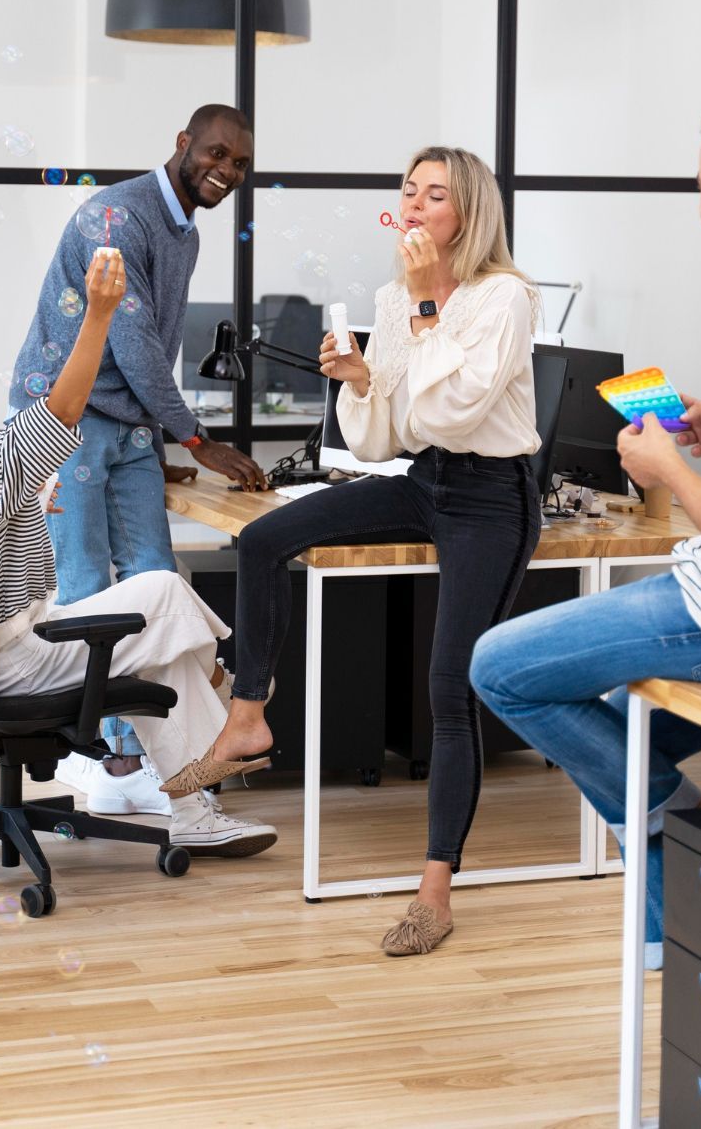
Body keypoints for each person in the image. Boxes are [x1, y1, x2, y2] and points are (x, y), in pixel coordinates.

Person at [160, 147, 544, 955]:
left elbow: (459, 413)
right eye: (408, 190)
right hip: (425, 481)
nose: (413, 205)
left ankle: (435, 893)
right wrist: (361, 381)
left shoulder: (505, 297)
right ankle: (248, 721)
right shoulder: (392, 295)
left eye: (434, 195)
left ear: (465, 215)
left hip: (491, 500)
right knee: (266, 538)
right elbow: (389, 438)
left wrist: (431, 303)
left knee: (450, 690)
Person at [470, 75, 701, 970]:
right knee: (626, 731)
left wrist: (666, 469)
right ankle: (676, 935)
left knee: (499, 667)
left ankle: (692, 848)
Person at [0, 247, 277, 859]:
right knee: (161, 597)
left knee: (154, 627)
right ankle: (232, 698)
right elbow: (63, 411)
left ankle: (197, 801)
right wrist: (98, 313)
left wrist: (27, 504)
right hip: (9, 661)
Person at [9, 104, 267, 816]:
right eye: (216, 153)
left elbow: (152, 349)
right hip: (65, 420)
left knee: (156, 582)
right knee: (89, 588)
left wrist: (159, 444)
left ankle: (157, 755)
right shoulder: (115, 220)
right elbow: (133, 347)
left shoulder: (183, 229)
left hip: (126, 430)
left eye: (240, 163)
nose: (226, 171)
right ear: (182, 143)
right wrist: (196, 438)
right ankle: (106, 755)